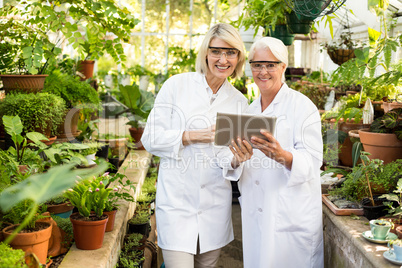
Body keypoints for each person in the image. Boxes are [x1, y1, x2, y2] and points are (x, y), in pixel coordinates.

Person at [140, 23, 249, 268]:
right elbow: (150, 138)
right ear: (206, 53)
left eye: (231, 52)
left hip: (214, 211)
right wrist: (191, 136)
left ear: (239, 57)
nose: (223, 59)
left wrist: (236, 159)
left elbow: (225, 156)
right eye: (217, 51)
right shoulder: (177, 86)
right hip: (177, 205)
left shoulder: (239, 102)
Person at [229, 37, 324, 267]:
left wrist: (282, 155)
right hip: (256, 213)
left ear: (283, 66)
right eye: (257, 65)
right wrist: (236, 160)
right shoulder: (247, 110)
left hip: (290, 217)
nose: (263, 71)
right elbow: (233, 161)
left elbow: (313, 162)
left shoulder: (302, 107)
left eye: (271, 65)